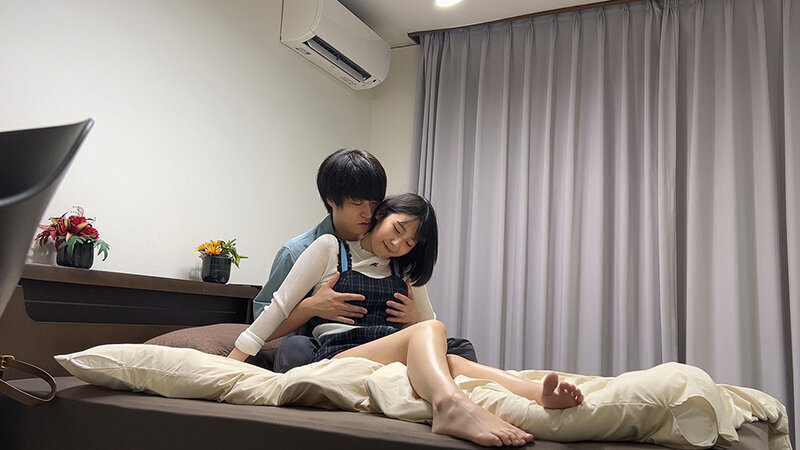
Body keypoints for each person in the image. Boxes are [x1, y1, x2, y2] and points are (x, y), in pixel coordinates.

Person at [230, 194, 584, 447]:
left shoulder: (405, 272)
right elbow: (277, 306)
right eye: (397, 229)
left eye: (410, 242)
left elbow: (433, 338)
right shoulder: (329, 248)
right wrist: (235, 359)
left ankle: (537, 394)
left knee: (452, 359)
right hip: (339, 353)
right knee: (433, 333)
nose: (399, 244)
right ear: (382, 215)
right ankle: (449, 405)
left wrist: (416, 318)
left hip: (390, 357)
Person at [253, 149, 477, 372]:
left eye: (374, 203)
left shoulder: (389, 250)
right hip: (324, 351)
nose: (368, 213)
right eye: (357, 203)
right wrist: (310, 307)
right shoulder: (299, 251)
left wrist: (413, 320)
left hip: (387, 349)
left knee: (459, 347)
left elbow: (428, 324)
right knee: (295, 347)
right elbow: (262, 328)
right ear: (331, 200)